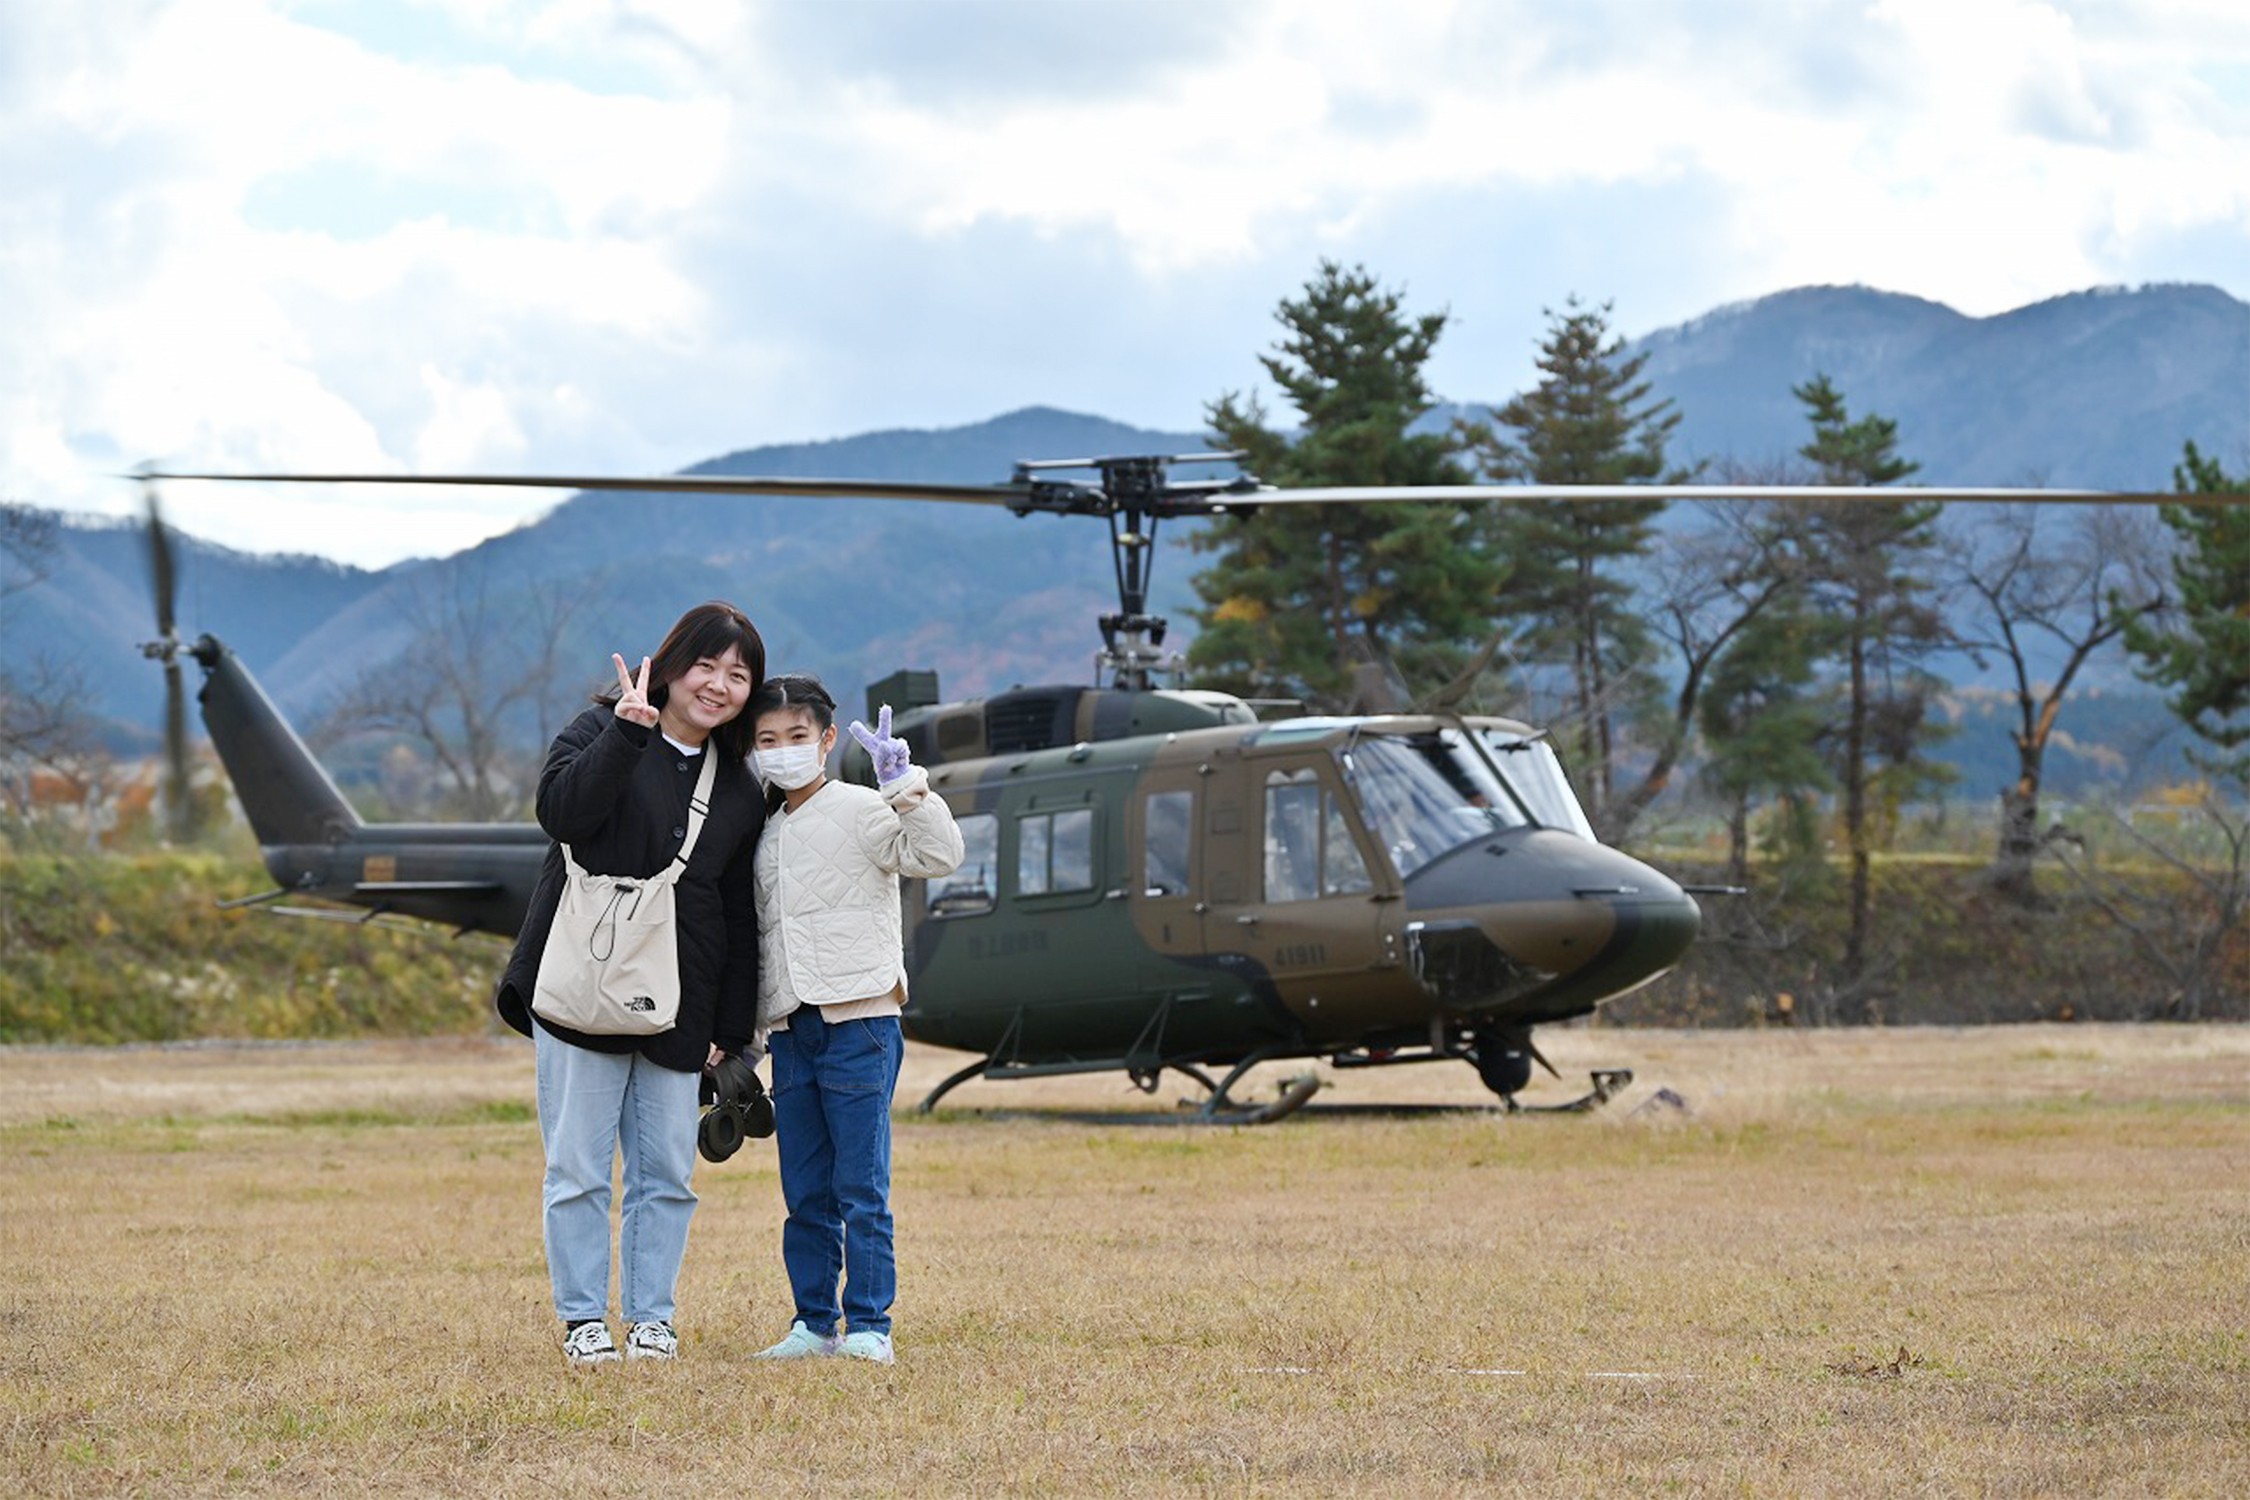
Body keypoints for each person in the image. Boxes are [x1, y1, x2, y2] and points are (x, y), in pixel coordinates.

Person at [495, 601, 767, 1367]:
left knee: (666, 1175)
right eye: (706, 665)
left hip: (685, 999)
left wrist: (733, 1027)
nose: (718, 685)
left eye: (738, 675)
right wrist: (628, 731)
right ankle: (585, 1320)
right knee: (577, 1167)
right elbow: (562, 813)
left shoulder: (740, 788)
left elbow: (737, 913)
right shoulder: (599, 731)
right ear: (672, 663)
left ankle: (652, 1318)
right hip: (583, 982)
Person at [745, 674, 963, 1365]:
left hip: (860, 1019)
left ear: (828, 739)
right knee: (804, 1190)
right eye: (767, 740)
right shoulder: (763, 832)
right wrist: (751, 1037)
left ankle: (870, 1325)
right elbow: (761, 936)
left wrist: (906, 788)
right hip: (791, 1029)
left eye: (797, 738)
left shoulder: (865, 807)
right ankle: (814, 1323)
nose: (783, 751)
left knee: (861, 1187)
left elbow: (937, 855)